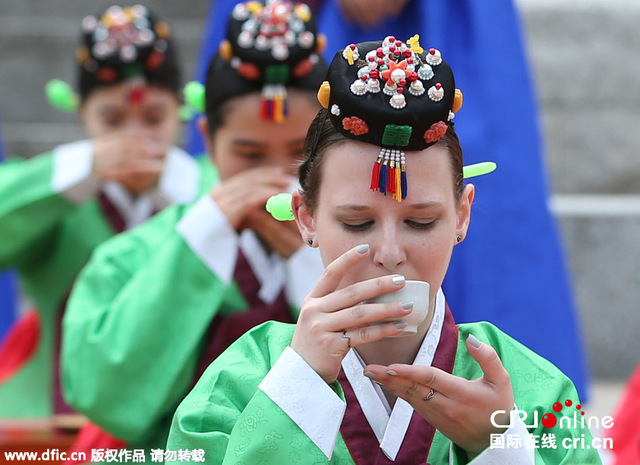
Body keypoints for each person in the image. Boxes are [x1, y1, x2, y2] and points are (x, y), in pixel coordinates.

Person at [166, 36, 601, 464]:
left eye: (420, 221)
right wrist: (299, 387)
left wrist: (500, 447)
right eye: (357, 223)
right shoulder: (239, 381)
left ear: (463, 215)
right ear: (305, 217)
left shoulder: (534, 392)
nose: (389, 252)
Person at [61, 0, 327, 453]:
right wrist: (199, 244)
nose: (275, 177)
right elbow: (104, 395)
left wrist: (315, 262)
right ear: (207, 139)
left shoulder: (365, 246)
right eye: (248, 156)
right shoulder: (132, 255)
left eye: (298, 155)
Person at [0, 4, 210, 419]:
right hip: (56, 416)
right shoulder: (55, 191)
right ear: (81, 113)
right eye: (112, 119)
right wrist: (83, 166)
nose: (135, 135)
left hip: (183, 418)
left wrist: (173, 188)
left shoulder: (208, 185)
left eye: (154, 117)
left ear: (182, 112)